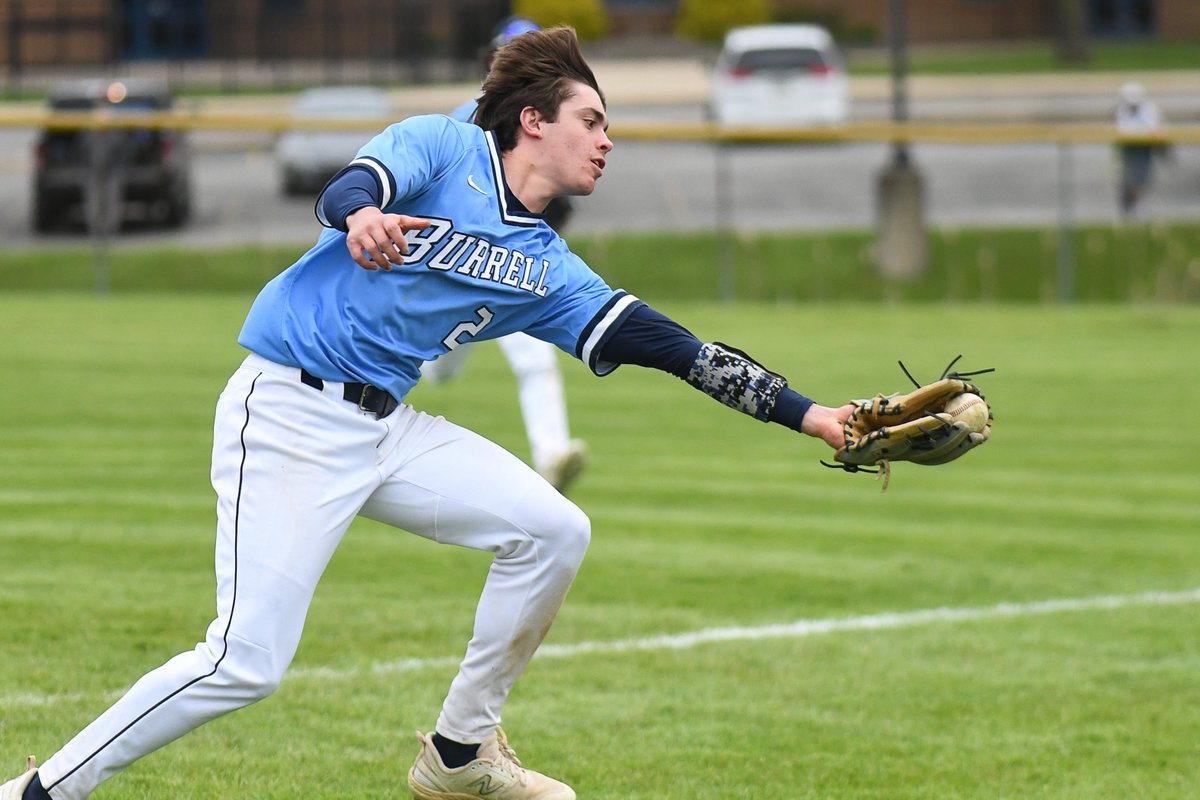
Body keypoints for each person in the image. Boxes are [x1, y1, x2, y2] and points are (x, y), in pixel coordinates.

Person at [2, 26, 854, 800]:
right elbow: (352, 186)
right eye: (591, 120)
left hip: (386, 430)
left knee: (553, 530)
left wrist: (811, 415)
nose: (606, 141)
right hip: (291, 410)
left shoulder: (547, 266)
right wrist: (364, 215)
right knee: (242, 662)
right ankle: (41, 793)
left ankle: (457, 754)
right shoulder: (445, 146)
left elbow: (674, 346)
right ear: (532, 122)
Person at [421, 16, 587, 493]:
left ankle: (552, 454)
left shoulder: (554, 123)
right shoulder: (463, 119)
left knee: (534, 361)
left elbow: (561, 202)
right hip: (454, 264)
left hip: (514, 266)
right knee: (436, 365)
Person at [1114, 81, 1166, 220]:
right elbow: (1123, 128)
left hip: (1145, 147)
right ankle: (1130, 206)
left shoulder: (1150, 108)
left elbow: (1153, 127)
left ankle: (1137, 205)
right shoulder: (1121, 109)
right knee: (1127, 177)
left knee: (1141, 177)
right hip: (1129, 148)